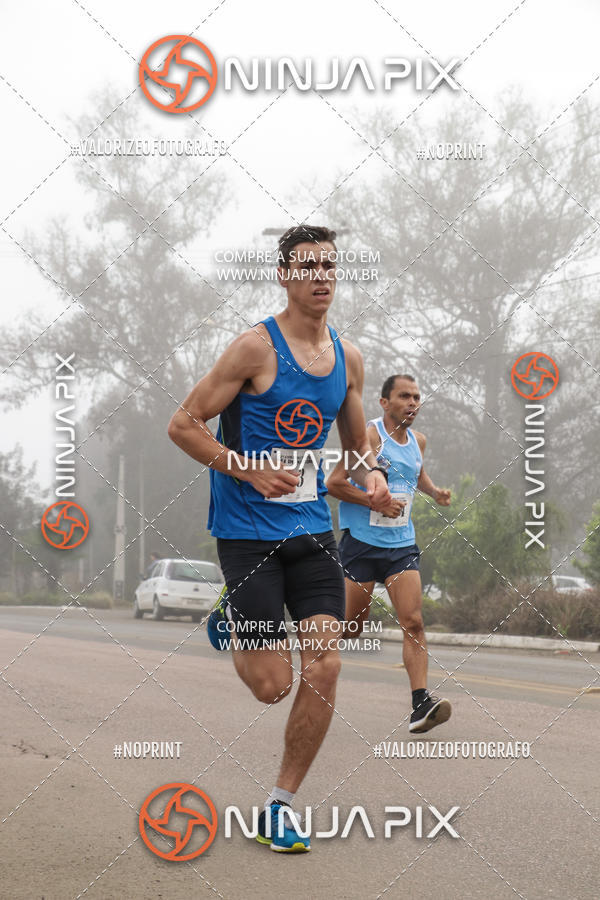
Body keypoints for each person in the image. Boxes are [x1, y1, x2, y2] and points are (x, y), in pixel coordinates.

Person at [168, 224, 391, 852]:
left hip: (315, 529)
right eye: (308, 266)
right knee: (273, 686)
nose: (322, 275)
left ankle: (280, 805)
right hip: (246, 535)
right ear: (285, 276)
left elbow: (358, 446)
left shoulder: (348, 359)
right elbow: (183, 426)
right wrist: (246, 467)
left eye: (330, 265)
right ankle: (236, 615)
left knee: (326, 662)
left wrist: (372, 477)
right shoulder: (253, 351)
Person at [326, 373, 452, 734]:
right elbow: (333, 483)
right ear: (384, 403)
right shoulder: (367, 437)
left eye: (416, 397)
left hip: (400, 546)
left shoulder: (419, 441)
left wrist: (434, 492)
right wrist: (373, 499)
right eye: (404, 396)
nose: (413, 403)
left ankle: (420, 704)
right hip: (361, 545)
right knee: (350, 630)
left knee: (413, 622)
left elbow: (416, 474)